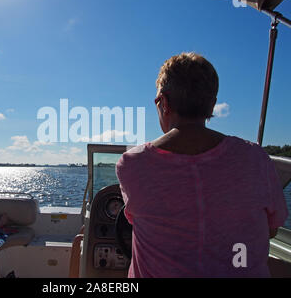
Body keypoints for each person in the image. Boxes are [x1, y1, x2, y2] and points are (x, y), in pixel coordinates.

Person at [116, 52, 289, 278]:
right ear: (212, 105)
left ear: (163, 103)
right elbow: (271, 228)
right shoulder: (256, 157)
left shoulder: (132, 164)